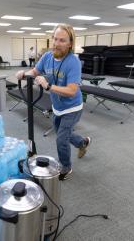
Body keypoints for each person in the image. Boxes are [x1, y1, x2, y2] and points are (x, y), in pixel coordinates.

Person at [16, 23, 91, 181]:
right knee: (63, 133)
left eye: (62, 40)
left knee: (61, 138)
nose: (56, 43)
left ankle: (66, 166)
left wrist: (48, 86)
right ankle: (82, 142)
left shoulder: (73, 62)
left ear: (70, 43)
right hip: (57, 106)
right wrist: (24, 75)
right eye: (55, 39)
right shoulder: (48, 56)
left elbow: (72, 91)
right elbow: (35, 71)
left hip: (72, 108)